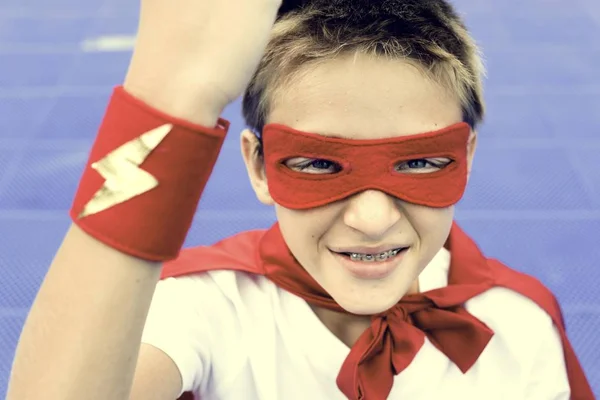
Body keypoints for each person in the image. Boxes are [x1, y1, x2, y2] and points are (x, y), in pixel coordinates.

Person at [6, 0, 594, 399]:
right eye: (318, 164)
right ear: (259, 167)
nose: (371, 219)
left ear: (466, 160)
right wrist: (168, 100)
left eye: (418, 163)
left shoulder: (522, 324)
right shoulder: (203, 309)